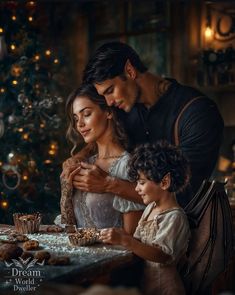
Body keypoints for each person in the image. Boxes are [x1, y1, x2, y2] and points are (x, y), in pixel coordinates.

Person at [72, 41, 224, 208]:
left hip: (187, 230)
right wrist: (79, 156)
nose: (108, 102)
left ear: (130, 71)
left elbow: (182, 193)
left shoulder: (197, 112)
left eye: (110, 91)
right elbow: (106, 139)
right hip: (140, 230)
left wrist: (108, 184)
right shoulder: (123, 108)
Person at [100, 141, 191, 295]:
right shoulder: (150, 208)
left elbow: (162, 255)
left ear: (164, 182)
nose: (137, 189)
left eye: (141, 183)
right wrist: (121, 236)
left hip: (166, 288)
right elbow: (139, 243)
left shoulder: (174, 217)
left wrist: (126, 241)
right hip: (147, 284)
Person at [57, 83, 145, 234]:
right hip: (76, 255)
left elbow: (131, 241)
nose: (80, 124)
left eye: (86, 114)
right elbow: (69, 225)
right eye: (76, 118)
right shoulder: (84, 164)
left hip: (113, 256)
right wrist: (66, 188)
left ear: (108, 112)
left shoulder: (128, 166)